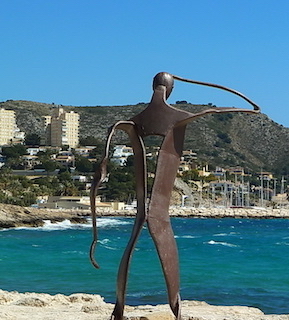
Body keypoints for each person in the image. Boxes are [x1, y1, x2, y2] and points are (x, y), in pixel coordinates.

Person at [89, 72, 260, 319]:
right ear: (171, 90)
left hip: (141, 210)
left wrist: (95, 238)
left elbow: (100, 172)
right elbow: (250, 108)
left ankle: (119, 309)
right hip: (160, 211)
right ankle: (175, 309)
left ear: (153, 86)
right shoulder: (180, 116)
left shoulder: (130, 122)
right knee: (166, 249)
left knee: (130, 249)